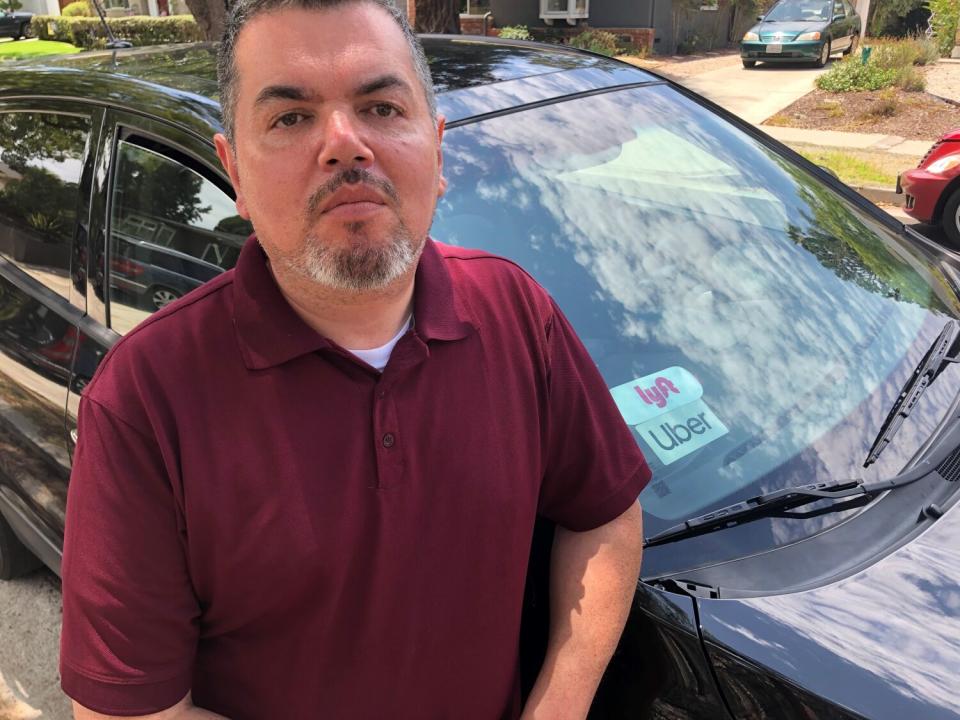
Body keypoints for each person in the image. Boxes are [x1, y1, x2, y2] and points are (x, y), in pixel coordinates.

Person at [59, 1, 651, 718]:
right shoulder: (146, 399)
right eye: (290, 118)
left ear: (436, 150)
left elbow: (605, 513)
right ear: (234, 171)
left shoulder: (516, 314)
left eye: (380, 106)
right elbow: (129, 713)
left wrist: (558, 705)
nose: (345, 143)